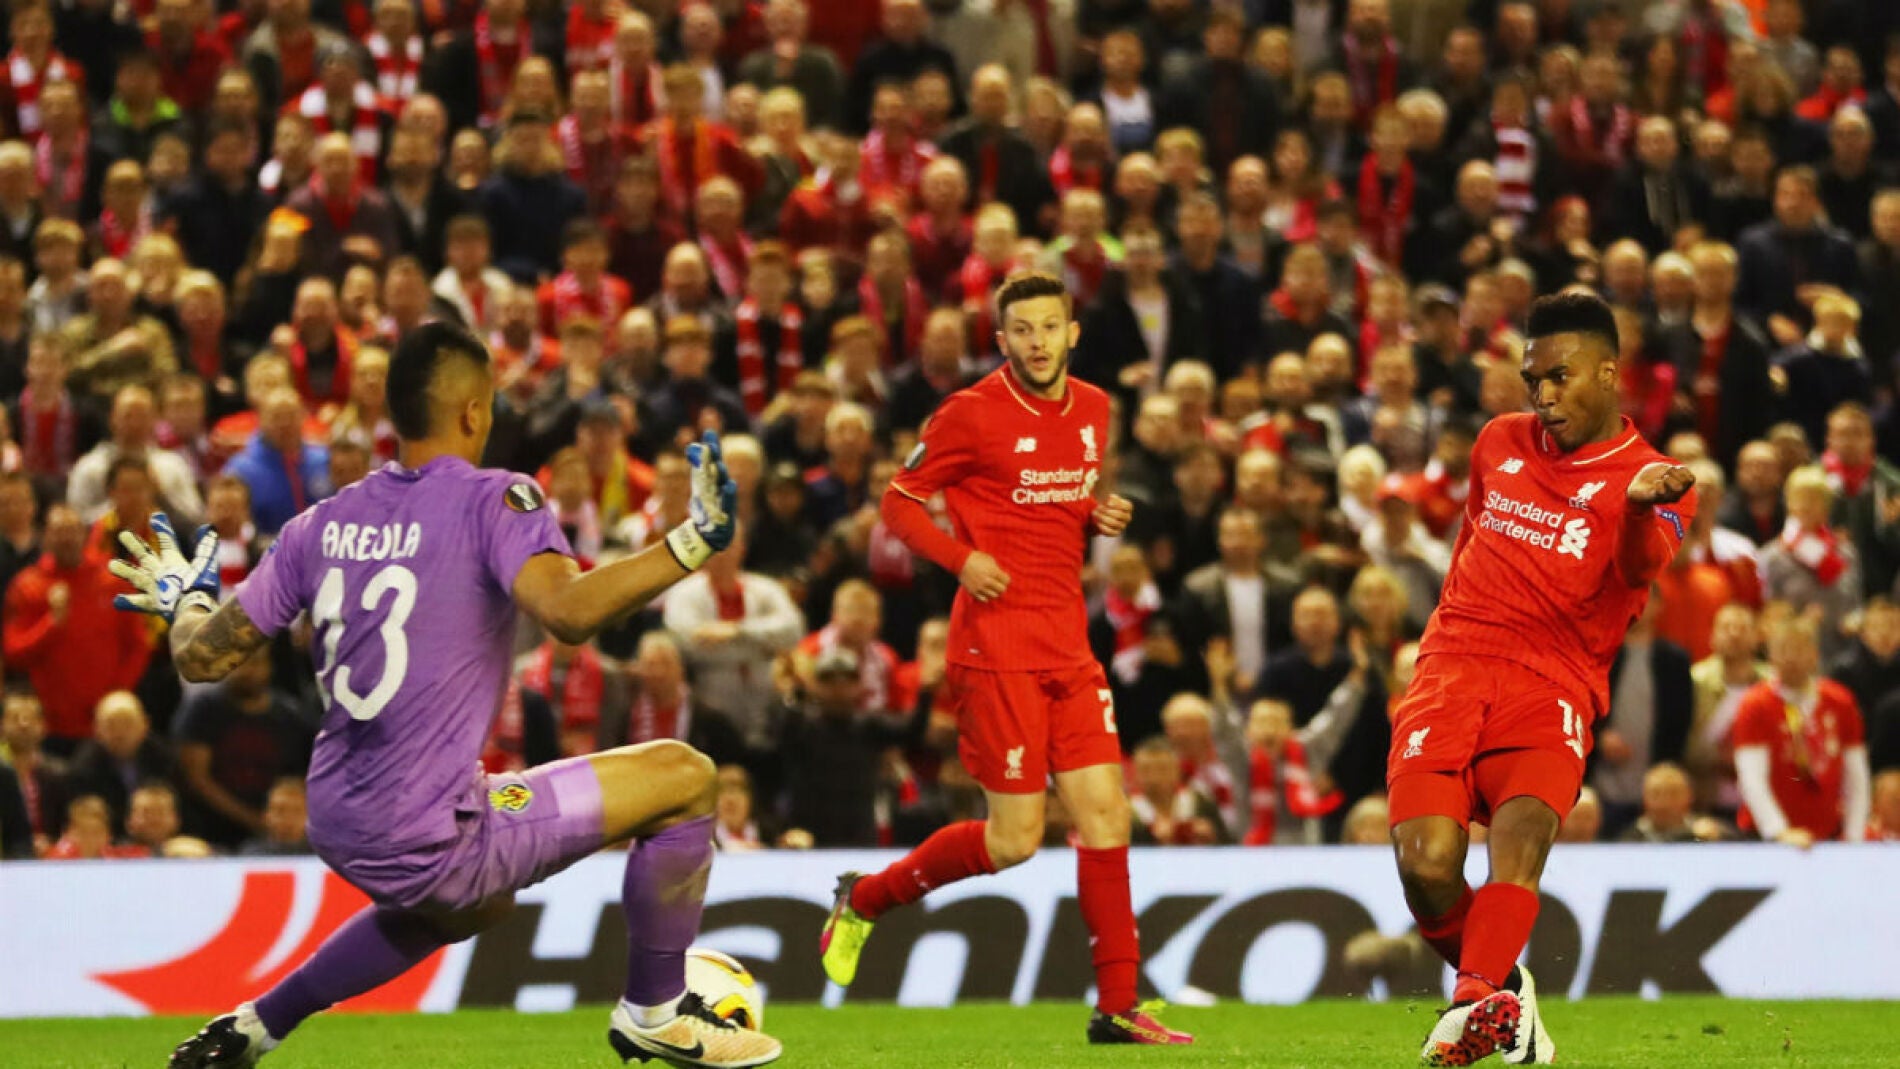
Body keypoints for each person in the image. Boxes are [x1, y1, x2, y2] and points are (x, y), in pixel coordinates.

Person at [111, 320, 779, 1068]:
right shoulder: (495, 499)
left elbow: (203, 656)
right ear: (472, 412)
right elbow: (571, 612)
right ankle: (655, 1012)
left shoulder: (318, 523)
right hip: (428, 827)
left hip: (338, 812)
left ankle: (255, 1025)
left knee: (477, 905)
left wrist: (182, 602)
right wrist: (692, 540)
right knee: (685, 777)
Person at [816, 271, 1192, 1045]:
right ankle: (865, 900)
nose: (1038, 342)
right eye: (1022, 330)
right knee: (1014, 839)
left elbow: (1052, 501)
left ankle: (1117, 1005)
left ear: (1072, 332)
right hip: (996, 648)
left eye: (1050, 327)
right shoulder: (970, 413)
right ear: (1002, 339)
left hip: (1069, 645)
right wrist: (960, 560)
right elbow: (896, 500)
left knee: (1105, 812)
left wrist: (1097, 511)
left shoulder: (1094, 408)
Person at [1388, 292, 1696, 1065]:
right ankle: (1507, 999)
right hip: (1454, 665)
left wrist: (1629, 509)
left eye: (1559, 377)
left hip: (1554, 680)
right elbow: (1471, 539)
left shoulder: (1659, 478)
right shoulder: (1497, 441)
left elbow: (1639, 570)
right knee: (1425, 865)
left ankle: (1472, 1006)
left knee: (1518, 847)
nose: (1544, 395)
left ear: (1606, 371)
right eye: (1533, 379)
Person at [1732, 617, 1870, 845]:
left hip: (1828, 833)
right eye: (1783, 650)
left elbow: (1856, 774)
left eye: (1798, 649)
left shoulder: (1840, 701)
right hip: (1765, 836)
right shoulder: (1755, 704)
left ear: (1814, 654)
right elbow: (1751, 776)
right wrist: (1778, 831)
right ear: (1770, 656)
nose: (1791, 658)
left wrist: (1854, 834)